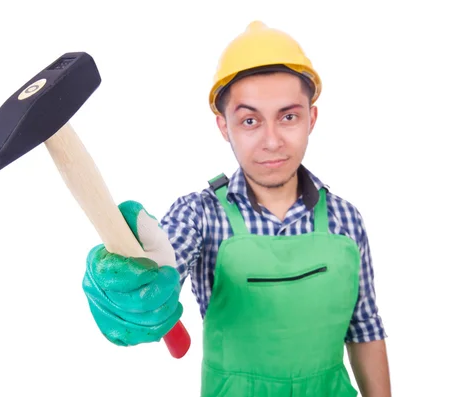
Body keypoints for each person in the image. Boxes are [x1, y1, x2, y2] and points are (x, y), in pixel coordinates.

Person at [82, 20, 391, 397]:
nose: (272, 141)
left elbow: (364, 328)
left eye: (288, 116)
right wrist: (130, 284)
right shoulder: (200, 215)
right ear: (224, 126)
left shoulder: (347, 220)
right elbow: (161, 264)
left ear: (312, 118)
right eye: (249, 121)